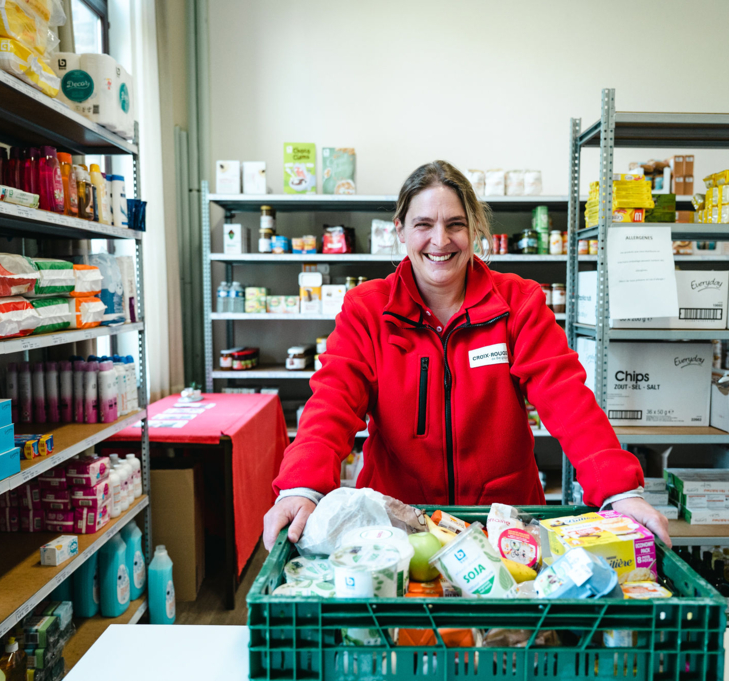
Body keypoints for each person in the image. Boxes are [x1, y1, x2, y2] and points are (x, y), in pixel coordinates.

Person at [263, 161, 670, 548]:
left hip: (505, 523)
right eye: (423, 225)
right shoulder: (367, 309)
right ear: (400, 230)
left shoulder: (519, 302)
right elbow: (331, 403)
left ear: (474, 229)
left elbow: (567, 398)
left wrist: (619, 490)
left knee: (508, 625)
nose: (440, 241)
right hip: (400, 523)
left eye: (455, 225)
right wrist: (302, 486)